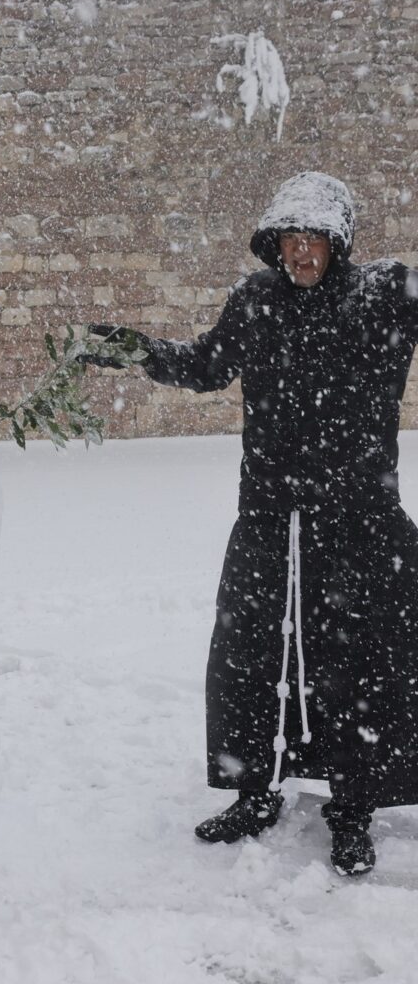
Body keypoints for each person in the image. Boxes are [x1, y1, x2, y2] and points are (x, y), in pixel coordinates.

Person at [85, 171, 418, 876]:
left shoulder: (384, 296)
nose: (301, 251)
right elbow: (206, 366)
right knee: (250, 660)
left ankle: (353, 809)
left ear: (339, 242)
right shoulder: (255, 301)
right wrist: (138, 350)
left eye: (315, 238)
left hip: (358, 522)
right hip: (270, 516)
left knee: (357, 669)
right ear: (275, 244)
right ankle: (253, 790)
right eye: (291, 238)